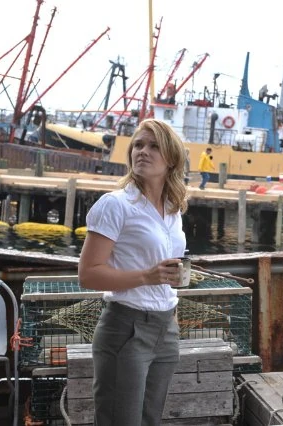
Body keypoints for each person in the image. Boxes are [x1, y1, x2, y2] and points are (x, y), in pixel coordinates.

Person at [78, 118, 188, 426]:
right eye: (138, 145)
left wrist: (170, 289)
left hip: (165, 327)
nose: (143, 151)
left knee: (150, 420)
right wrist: (146, 277)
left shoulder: (173, 207)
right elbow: (88, 274)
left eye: (153, 146)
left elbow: (163, 267)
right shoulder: (115, 204)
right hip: (126, 327)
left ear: (171, 159)